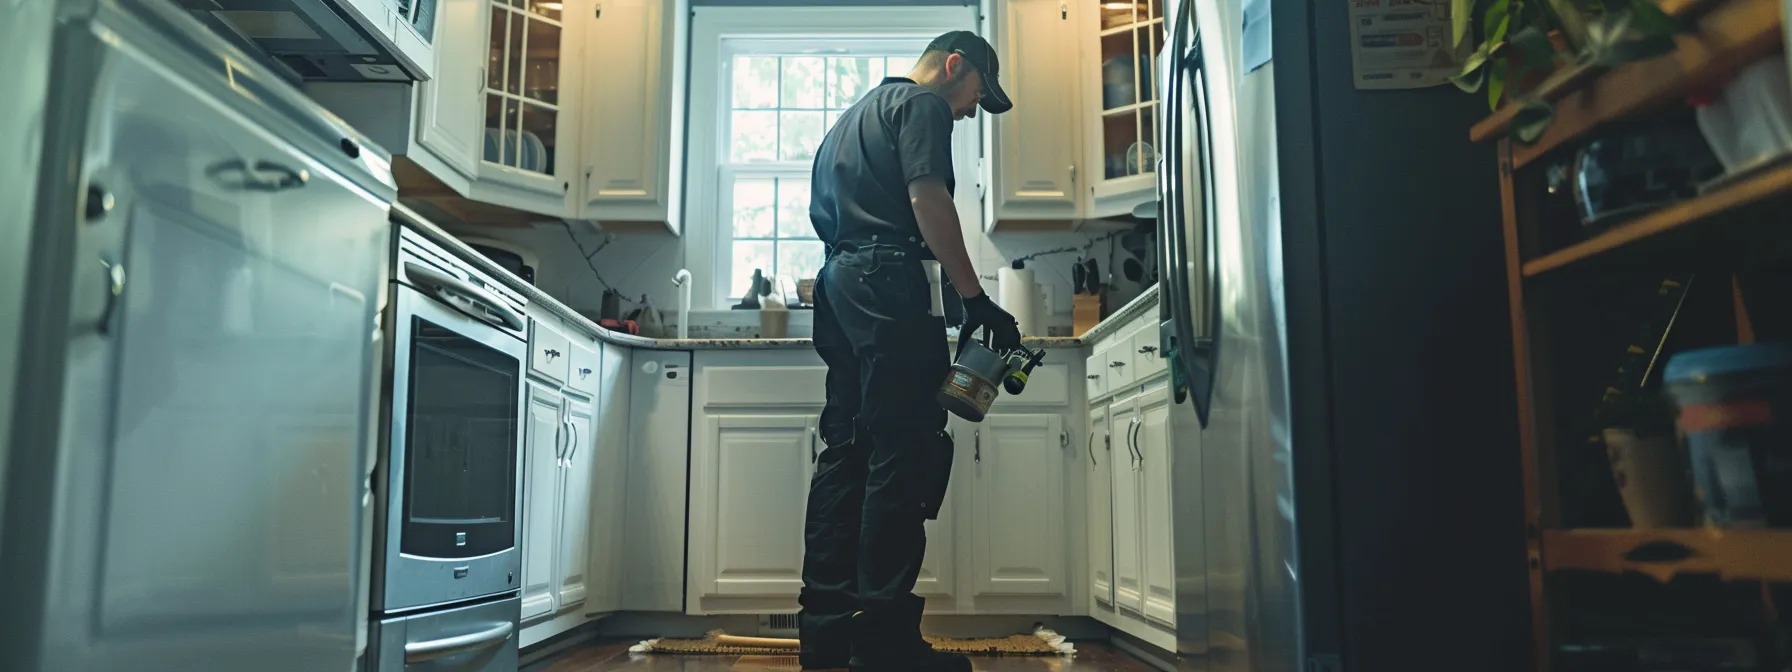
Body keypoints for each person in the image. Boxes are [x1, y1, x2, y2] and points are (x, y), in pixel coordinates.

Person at [797, 31, 1023, 672]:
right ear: (956, 65)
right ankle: (887, 644)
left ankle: (827, 636)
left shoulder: (849, 120)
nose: (971, 110)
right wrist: (974, 297)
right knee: (904, 455)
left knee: (846, 454)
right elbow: (929, 197)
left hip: (838, 286)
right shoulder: (921, 105)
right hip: (890, 283)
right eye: (978, 93)